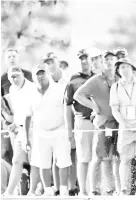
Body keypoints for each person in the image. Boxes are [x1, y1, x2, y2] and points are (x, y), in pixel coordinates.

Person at [74, 50, 119, 195]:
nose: (109, 62)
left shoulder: (120, 78)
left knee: (113, 158)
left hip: (119, 124)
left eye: (111, 59)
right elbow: (78, 95)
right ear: (102, 62)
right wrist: (94, 107)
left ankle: (111, 189)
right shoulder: (96, 79)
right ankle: (95, 189)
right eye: (106, 59)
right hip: (103, 124)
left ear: (115, 61)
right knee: (99, 157)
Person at [24, 65, 72, 196]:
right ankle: (48, 190)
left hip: (60, 129)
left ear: (48, 74)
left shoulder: (60, 89)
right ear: (33, 77)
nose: (40, 76)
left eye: (42, 73)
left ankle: (63, 191)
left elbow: (68, 110)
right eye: (37, 74)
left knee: (63, 161)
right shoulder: (31, 93)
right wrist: (26, 137)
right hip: (40, 132)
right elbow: (27, 117)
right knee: (43, 163)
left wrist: (70, 130)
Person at [110, 58, 136, 195]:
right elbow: (114, 109)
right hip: (125, 127)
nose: (124, 69)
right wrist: (123, 123)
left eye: (127, 66)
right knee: (124, 159)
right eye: (121, 67)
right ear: (118, 71)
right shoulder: (115, 87)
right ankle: (124, 188)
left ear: (132, 68)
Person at [64, 49, 95, 196]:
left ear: (90, 59)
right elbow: (67, 106)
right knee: (83, 158)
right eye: (80, 58)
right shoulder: (73, 80)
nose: (84, 61)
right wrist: (69, 130)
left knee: (98, 158)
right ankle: (83, 190)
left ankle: (95, 189)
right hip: (82, 121)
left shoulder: (98, 77)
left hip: (99, 123)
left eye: (86, 58)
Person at [2, 67, 36, 196]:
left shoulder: (32, 88)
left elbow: (32, 111)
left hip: (33, 128)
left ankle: (35, 190)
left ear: (22, 75)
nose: (14, 79)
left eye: (16, 76)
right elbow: (19, 112)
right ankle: (9, 192)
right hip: (21, 130)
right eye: (12, 77)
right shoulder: (12, 90)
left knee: (34, 161)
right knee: (17, 160)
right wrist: (15, 123)